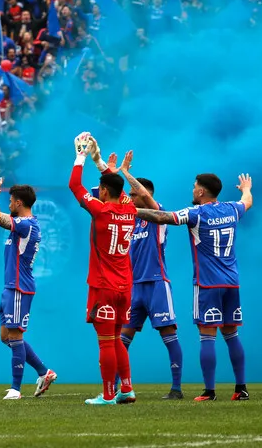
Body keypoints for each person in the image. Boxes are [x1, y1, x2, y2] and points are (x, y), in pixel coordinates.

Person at [136, 171, 254, 401]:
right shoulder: (232, 209)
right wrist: (246, 188)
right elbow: (247, 201)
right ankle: (241, 389)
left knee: (207, 336)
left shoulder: (195, 213)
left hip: (207, 283)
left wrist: (128, 210)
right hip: (232, 283)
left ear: (201, 191)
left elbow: (162, 217)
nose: (192, 190)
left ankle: (209, 391)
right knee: (231, 334)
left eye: (194, 187)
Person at [67, 133, 137, 406]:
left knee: (106, 341)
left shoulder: (101, 210)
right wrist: (99, 160)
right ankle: (127, 388)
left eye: (100, 187)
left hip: (103, 285)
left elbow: (74, 185)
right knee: (117, 338)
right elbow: (116, 185)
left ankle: (108, 394)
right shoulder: (129, 209)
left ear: (104, 192)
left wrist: (81, 155)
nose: (98, 190)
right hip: (125, 285)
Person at [114, 151, 184, 400]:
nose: (130, 198)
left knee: (168, 335)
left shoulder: (159, 214)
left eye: (133, 194)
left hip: (157, 284)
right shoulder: (131, 221)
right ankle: (115, 389)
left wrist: (125, 172)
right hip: (134, 288)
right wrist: (109, 170)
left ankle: (176, 389)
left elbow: (142, 195)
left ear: (147, 194)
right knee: (122, 339)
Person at [0, 172, 56, 399]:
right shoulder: (21, 225)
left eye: (10, 200)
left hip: (19, 287)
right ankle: (44, 372)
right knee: (6, 336)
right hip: (11, 287)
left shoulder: (26, 224)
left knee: (15, 337)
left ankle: (16, 389)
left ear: (19, 203)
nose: (8, 204)